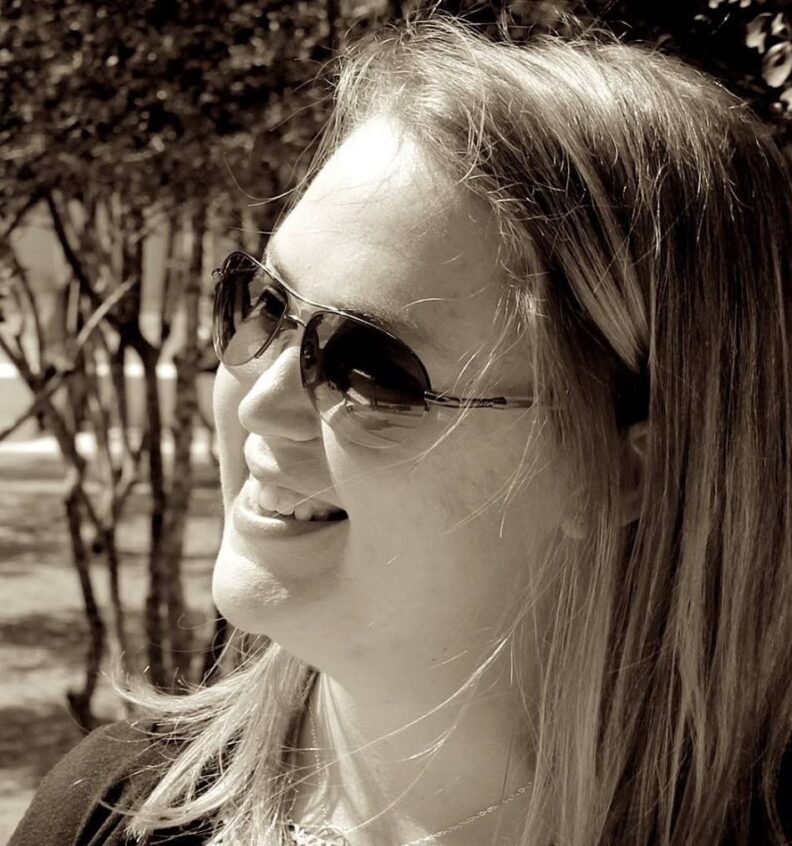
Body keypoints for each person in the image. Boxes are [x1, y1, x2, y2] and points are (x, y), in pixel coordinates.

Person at [10, 14, 792, 846]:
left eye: (373, 367)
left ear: (620, 469)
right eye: (267, 304)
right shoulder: (111, 812)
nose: (258, 403)